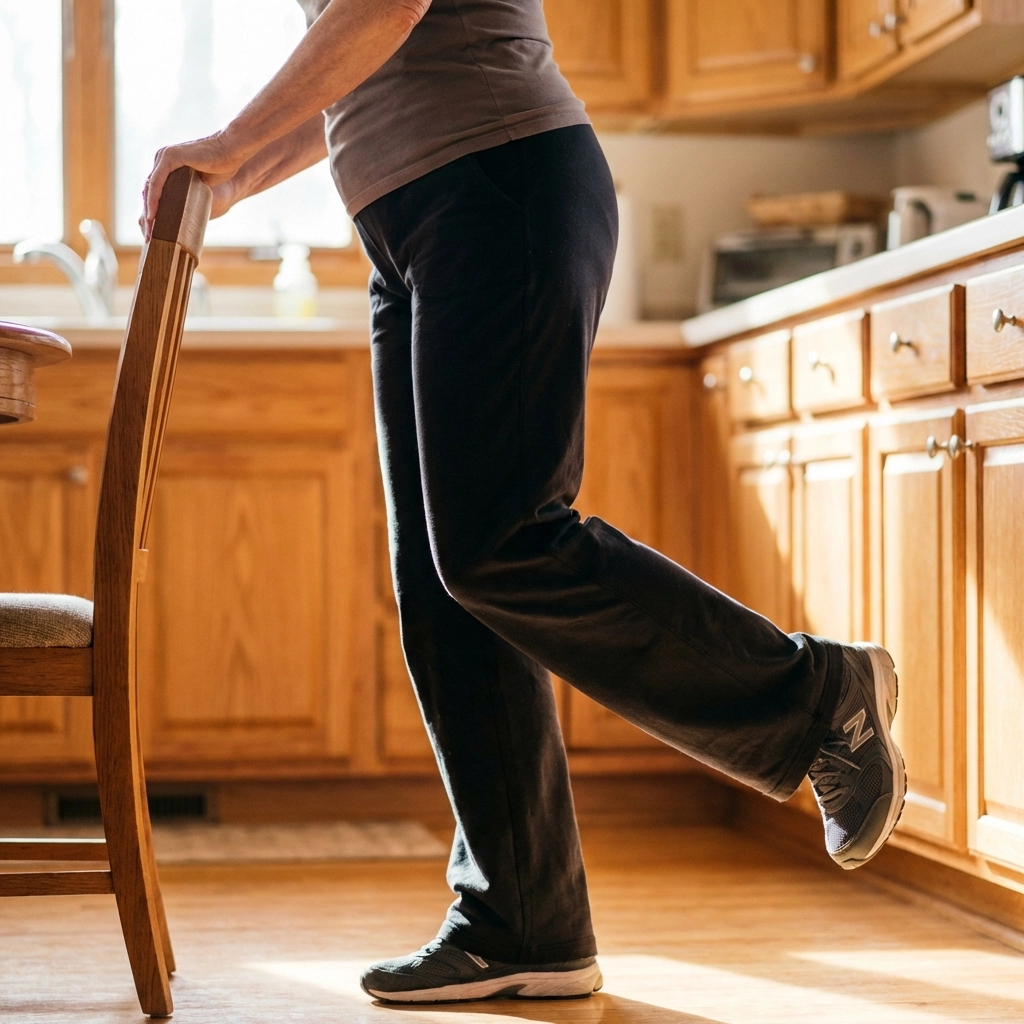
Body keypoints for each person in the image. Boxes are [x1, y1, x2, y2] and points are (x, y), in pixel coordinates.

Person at [142, 0, 907, 1005]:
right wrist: (237, 171)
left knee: (502, 544)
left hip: (495, 188)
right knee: (444, 583)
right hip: (414, 225)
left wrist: (229, 141)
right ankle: (523, 922)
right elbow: (361, 73)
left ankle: (818, 700)